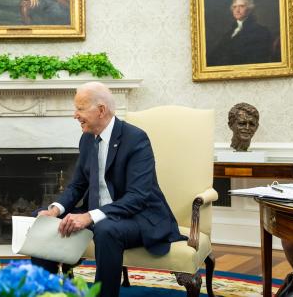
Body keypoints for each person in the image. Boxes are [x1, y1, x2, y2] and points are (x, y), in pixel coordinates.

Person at [31, 82, 184, 297]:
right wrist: (55, 209)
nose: (75, 115)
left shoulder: (136, 139)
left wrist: (89, 217)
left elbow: (137, 197)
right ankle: (46, 292)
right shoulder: (87, 138)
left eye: (80, 109)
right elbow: (77, 185)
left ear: (101, 110)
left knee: (106, 230)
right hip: (100, 215)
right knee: (41, 219)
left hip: (138, 217)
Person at [207, 0, 273, 66]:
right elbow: (214, 55)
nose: (237, 10)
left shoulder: (261, 31)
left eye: (242, 6)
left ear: (250, 9)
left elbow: (257, 60)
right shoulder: (229, 33)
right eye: (234, 7)